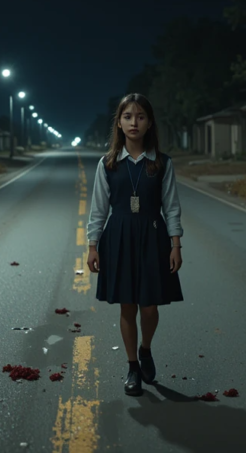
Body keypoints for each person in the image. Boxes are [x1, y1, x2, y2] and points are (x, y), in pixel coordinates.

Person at [85, 93, 183, 397]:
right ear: (119, 122)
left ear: (149, 122)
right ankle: (131, 368)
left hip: (153, 234)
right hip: (120, 235)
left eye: (140, 117)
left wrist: (175, 244)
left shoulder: (162, 163)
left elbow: (172, 206)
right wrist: (92, 245)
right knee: (127, 304)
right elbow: (99, 207)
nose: (134, 122)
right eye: (128, 116)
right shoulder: (109, 163)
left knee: (150, 306)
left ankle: (145, 349)